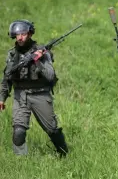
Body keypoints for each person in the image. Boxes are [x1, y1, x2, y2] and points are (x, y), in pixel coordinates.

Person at [0, 19, 68, 156]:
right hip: (21, 95)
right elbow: (6, 77)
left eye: (23, 34)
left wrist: (37, 61)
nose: (20, 37)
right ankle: (21, 162)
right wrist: (2, 97)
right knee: (18, 132)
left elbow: (50, 76)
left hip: (40, 94)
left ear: (30, 34)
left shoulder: (42, 52)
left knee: (52, 129)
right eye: (17, 34)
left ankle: (64, 154)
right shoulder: (12, 55)